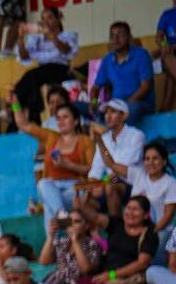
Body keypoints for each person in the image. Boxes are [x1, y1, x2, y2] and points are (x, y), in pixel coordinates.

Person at [71, 196, 158, 284]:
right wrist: (81, 208)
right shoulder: (116, 224)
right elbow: (95, 218)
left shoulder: (150, 234)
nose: (130, 213)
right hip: (111, 283)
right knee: (83, 282)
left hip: (134, 283)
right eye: (128, 208)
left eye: (136, 210)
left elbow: (142, 263)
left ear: (146, 215)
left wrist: (112, 274)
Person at [13, 100, 93, 236]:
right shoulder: (51, 138)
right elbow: (23, 124)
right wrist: (15, 102)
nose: (61, 121)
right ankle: (63, 218)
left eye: (65, 117)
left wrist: (68, 165)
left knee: (50, 203)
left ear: (75, 121)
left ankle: (53, 244)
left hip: (74, 189)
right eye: (58, 118)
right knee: (44, 184)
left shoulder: (86, 141)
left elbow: (92, 170)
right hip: (51, 186)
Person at [12, 7, 79, 126]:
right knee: (26, 82)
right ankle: (20, 110)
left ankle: (32, 113)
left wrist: (51, 35)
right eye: (43, 19)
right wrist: (21, 37)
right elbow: (24, 56)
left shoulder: (68, 35)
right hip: (42, 72)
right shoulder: (37, 39)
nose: (46, 21)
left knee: (31, 75)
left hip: (60, 69)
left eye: (50, 18)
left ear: (58, 19)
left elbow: (66, 50)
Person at [99, 141, 176, 238]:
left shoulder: (171, 183)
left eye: (155, 158)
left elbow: (167, 217)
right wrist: (99, 141)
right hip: (134, 231)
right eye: (147, 159)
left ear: (164, 161)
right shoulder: (138, 174)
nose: (151, 162)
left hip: (158, 232)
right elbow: (111, 164)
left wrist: (148, 235)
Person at [92, 21, 155, 121]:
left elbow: (146, 86)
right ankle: (104, 131)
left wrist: (123, 106)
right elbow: (95, 88)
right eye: (112, 36)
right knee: (78, 106)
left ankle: (116, 134)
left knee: (132, 109)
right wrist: (94, 102)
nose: (115, 39)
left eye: (120, 35)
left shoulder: (141, 54)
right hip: (115, 106)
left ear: (129, 37)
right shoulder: (107, 59)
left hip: (139, 104)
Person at [85, 99, 146, 198]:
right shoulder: (104, 138)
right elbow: (96, 168)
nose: (108, 116)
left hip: (131, 182)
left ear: (124, 115)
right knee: (83, 196)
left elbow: (119, 170)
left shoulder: (136, 135)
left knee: (110, 187)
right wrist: (91, 185)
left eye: (113, 111)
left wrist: (102, 183)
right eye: (106, 112)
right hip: (109, 181)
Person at [39, 209, 102, 284]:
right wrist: (51, 236)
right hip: (60, 283)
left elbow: (85, 270)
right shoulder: (62, 242)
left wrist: (75, 241)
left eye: (77, 221)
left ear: (86, 226)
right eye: (69, 221)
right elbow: (44, 261)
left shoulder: (92, 244)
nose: (72, 224)